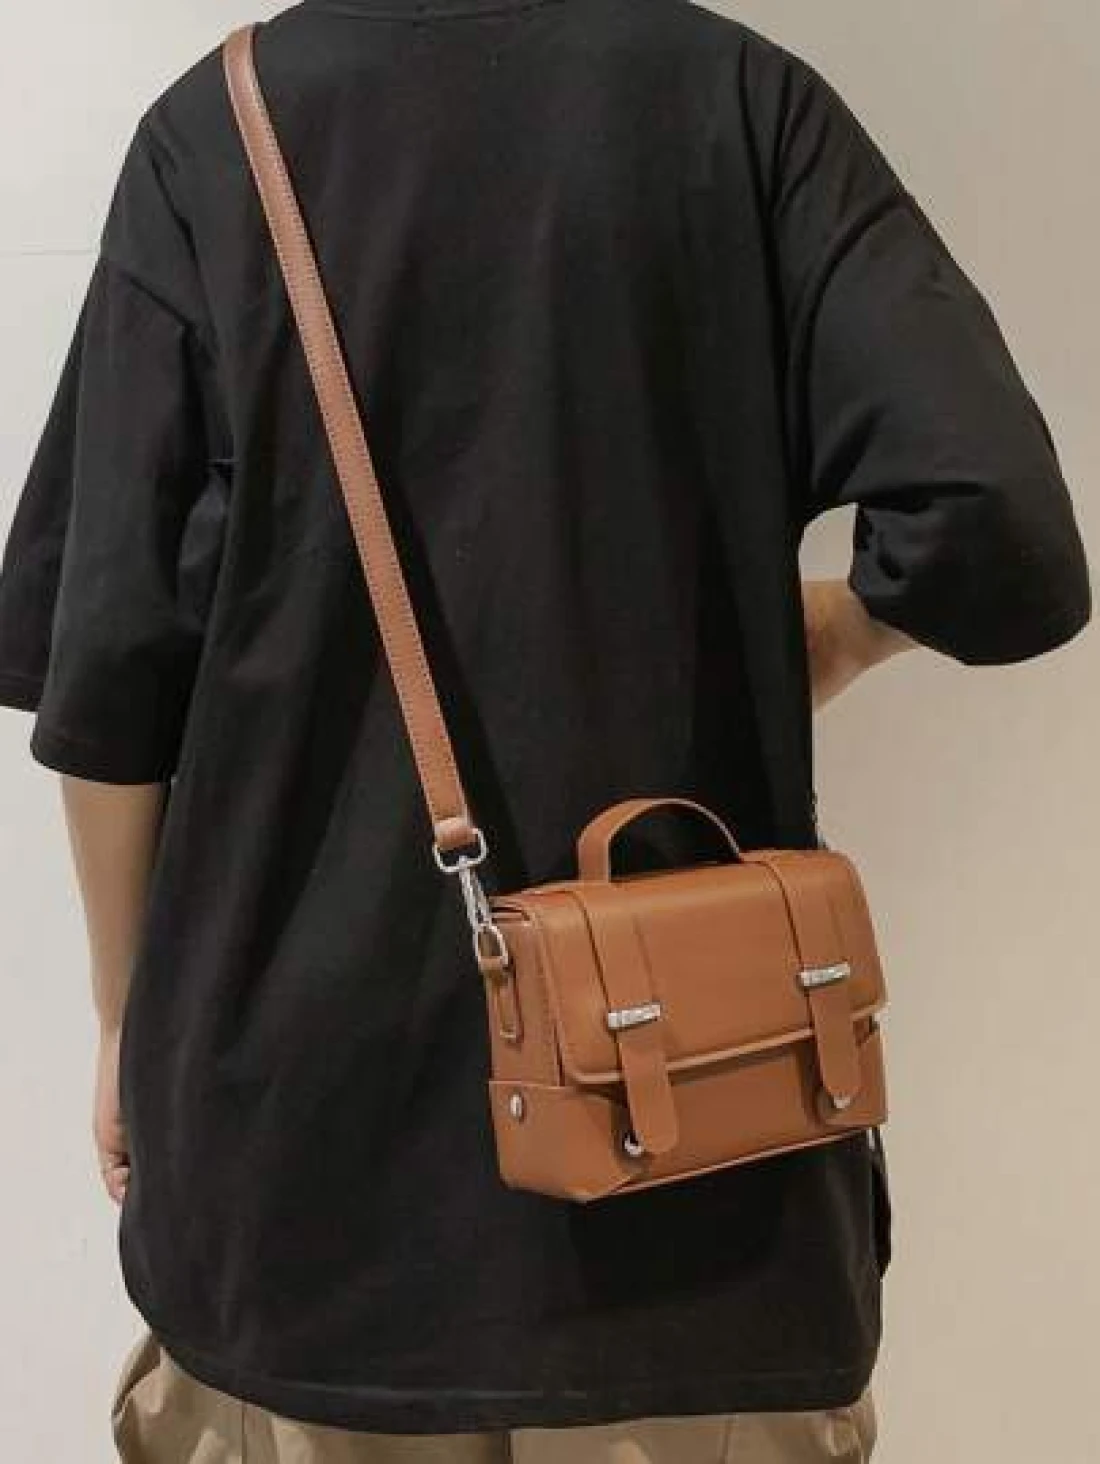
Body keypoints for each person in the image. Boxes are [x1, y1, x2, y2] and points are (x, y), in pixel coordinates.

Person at [0, 0, 1090, 1459]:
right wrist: (833, 632)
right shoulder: (746, 107)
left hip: (302, 1209)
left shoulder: (215, 135)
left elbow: (110, 684)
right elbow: (1002, 532)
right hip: (698, 1196)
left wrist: (121, 1020)